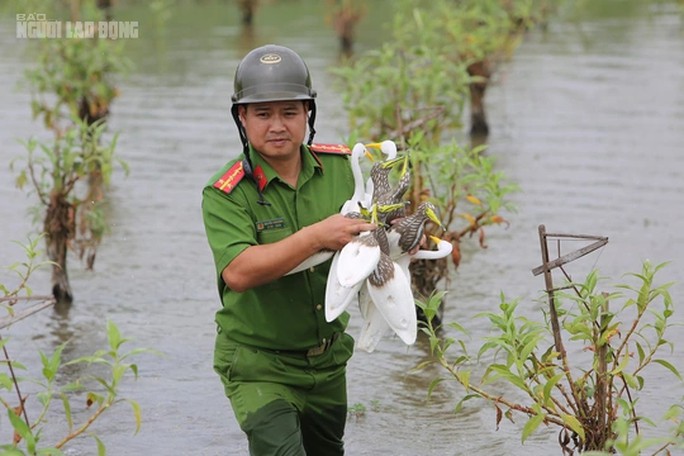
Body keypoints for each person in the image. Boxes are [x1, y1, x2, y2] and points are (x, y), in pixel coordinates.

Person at [201, 44, 376, 455]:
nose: (277, 125)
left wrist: (408, 236)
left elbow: (378, 230)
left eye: (289, 113)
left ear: (307, 115)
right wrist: (317, 236)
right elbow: (240, 272)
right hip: (259, 364)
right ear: (241, 118)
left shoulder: (343, 169)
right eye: (262, 114)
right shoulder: (226, 192)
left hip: (328, 362)